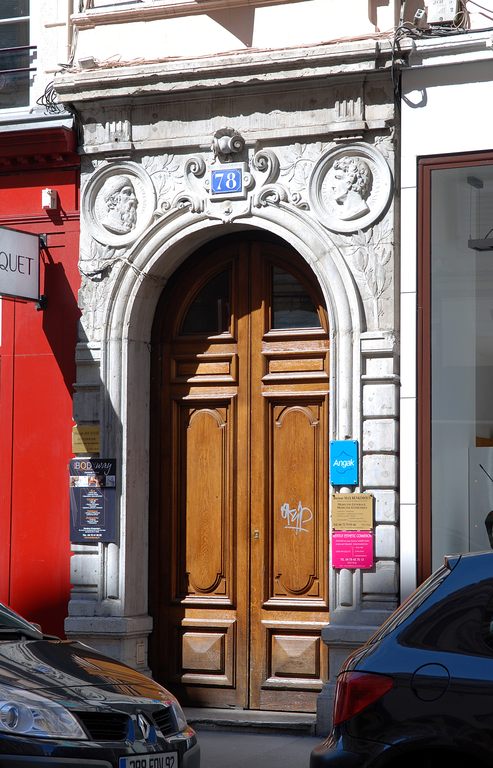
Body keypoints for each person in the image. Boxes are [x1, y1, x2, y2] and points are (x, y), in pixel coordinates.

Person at [327, 156, 372, 221]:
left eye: (338, 178)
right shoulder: (342, 214)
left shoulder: (360, 209)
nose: (332, 186)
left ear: (351, 181)